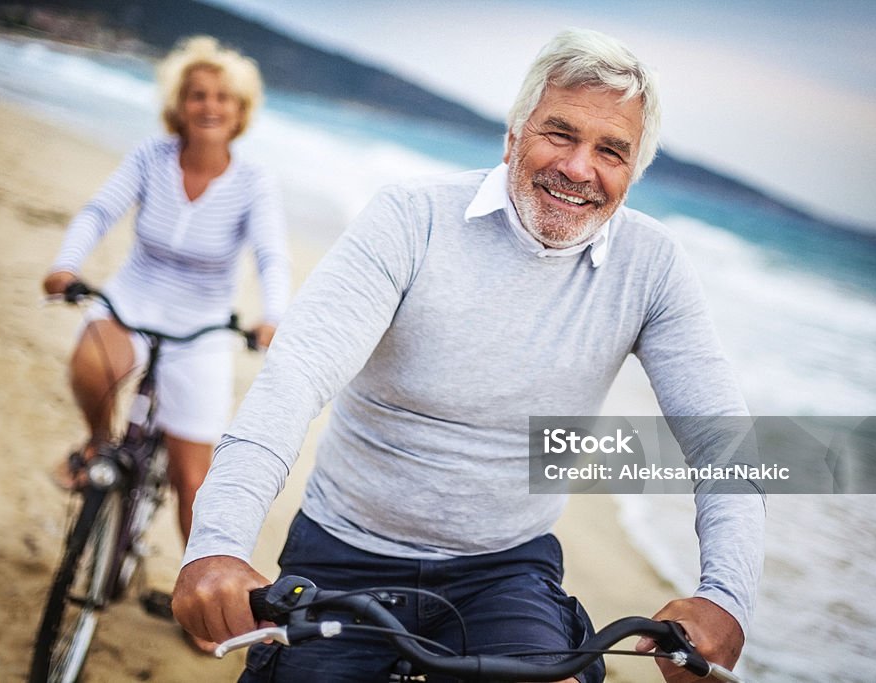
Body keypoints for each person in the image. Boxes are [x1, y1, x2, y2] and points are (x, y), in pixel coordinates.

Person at [173, 28, 764, 682]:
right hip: (345, 550)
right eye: (559, 133)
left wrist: (724, 597)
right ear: (513, 133)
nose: (578, 167)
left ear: (633, 172)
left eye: (611, 150)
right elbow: (295, 377)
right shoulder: (411, 218)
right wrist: (219, 543)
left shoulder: (652, 267)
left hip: (507, 567)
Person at [42, 36, 291, 651]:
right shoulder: (150, 156)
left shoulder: (254, 181)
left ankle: (208, 613)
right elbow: (99, 212)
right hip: (133, 301)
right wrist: (67, 264)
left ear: (240, 111)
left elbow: (269, 254)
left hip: (201, 329)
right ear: (179, 104)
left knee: (193, 483)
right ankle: (99, 444)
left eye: (223, 98)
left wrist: (273, 315)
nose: (209, 106)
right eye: (197, 95)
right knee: (92, 365)